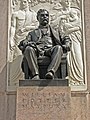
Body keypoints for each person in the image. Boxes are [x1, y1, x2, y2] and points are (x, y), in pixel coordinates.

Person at [18, 9, 71, 80]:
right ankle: (35, 75)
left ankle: (51, 72)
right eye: (42, 16)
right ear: (38, 18)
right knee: (28, 49)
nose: (45, 17)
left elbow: (66, 38)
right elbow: (24, 42)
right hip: (37, 51)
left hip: (50, 51)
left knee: (58, 48)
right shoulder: (32, 33)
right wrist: (26, 43)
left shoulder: (56, 31)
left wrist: (67, 43)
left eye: (46, 15)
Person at [58, 0, 84, 85]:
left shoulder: (75, 11)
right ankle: (72, 78)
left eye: (68, 1)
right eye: (65, 1)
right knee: (68, 58)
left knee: (77, 55)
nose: (67, 2)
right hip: (67, 39)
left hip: (75, 38)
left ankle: (79, 78)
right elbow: (61, 31)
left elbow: (80, 25)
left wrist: (70, 29)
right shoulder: (61, 16)